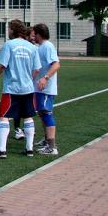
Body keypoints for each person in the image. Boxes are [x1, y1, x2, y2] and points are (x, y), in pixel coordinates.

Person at [0, 19, 41, 158]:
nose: (8, 31)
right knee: (28, 117)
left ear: (13, 30)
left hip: (11, 88)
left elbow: (2, 65)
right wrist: (28, 79)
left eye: (9, 28)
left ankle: (1, 150)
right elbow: (37, 69)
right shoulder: (32, 47)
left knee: (4, 116)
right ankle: (29, 149)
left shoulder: (9, 45)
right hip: (28, 88)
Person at [32, 23, 61, 155]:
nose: (33, 36)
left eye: (34, 33)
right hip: (39, 89)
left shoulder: (48, 46)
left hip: (46, 89)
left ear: (39, 34)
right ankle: (46, 140)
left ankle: (52, 147)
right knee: (42, 114)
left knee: (46, 113)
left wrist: (45, 78)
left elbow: (56, 65)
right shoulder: (41, 47)